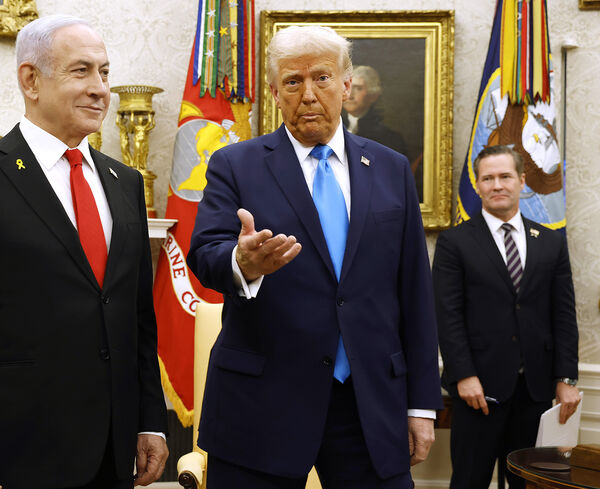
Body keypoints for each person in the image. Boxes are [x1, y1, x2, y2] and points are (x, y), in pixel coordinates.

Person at [0, 15, 168, 489]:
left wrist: (150, 419)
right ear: (31, 80)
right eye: (81, 71)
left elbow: (137, 318)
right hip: (14, 453)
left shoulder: (126, 182)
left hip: (113, 453)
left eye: (105, 72)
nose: (100, 89)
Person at [187, 25, 442, 489]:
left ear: (346, 85)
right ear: (274, 92)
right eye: (292, 81)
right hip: (262, 406)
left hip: (368, 405)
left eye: (321, 78)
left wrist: (421, 405)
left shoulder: (391, 167)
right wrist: (242, 263)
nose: (308, 94)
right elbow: (205, 254)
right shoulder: (235, 164)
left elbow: (414, 292)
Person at [432, 145, 581, 489]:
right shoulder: (455, 243)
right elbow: (447, 315)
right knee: (470, 480)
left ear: (522, 182)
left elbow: (563, 314)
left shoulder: (550, 242)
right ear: (478, 185)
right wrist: (464, 375)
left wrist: (566, 378)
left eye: (505, 176)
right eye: (488, 178)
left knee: (530, 483)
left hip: (537, 390)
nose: (497, 185)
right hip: (478, 393)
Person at [341, 65, 407, 158]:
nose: (350, 95)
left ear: (373, 96)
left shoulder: (390, 138)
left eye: (358, 88)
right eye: (347, 88)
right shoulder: (332, 129)